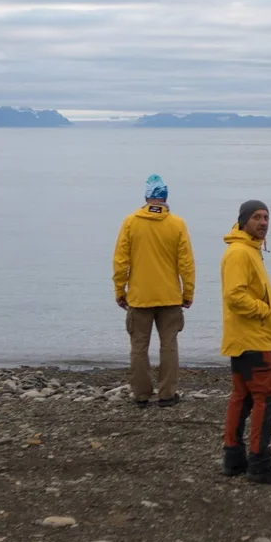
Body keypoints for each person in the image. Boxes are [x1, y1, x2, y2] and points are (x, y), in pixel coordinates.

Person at [219, 200, 271, 484]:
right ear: (243, 221)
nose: (263, 222)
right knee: (267, 396)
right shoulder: (239, 253)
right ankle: (259, 463)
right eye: (256, 217)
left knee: (243, 396)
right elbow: (235, 296)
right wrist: (265, 311)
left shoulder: (249, 250)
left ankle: (234, 458)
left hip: (244, 337)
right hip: (251, 338)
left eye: (266, 217)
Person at [112, 174, 195, 408]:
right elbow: (186, 264)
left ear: (147, 197)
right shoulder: (177, 224)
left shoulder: (131, 222)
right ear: (166, 198)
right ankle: (167, 394)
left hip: (139, 297)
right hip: (169, 296)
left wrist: (120, 290)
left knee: (139, 346)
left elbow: (121, 261)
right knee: (168, 344)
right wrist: (188, 293)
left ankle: (141, 394)